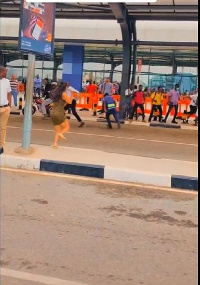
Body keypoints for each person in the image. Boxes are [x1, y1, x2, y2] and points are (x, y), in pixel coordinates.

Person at [50, 82, 72, 148]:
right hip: (59, 112)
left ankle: (55, 144)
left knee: (57, 129)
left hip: (53, 112)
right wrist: (72, 95)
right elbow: (69, 102)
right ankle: (61, 134)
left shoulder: (55, 94)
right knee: (67, 127)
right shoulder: (63, 94)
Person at [0, 66, 12, 155]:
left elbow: (9, 93)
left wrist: (9, 106)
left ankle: (1, 146)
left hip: (5, 108)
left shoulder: (7, 81)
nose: (6, 73)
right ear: (1, 72)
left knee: (2, 129)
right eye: (5, 72)